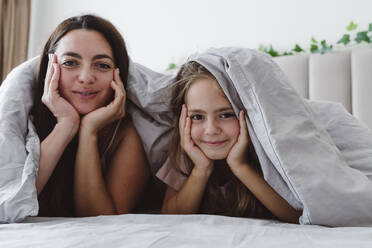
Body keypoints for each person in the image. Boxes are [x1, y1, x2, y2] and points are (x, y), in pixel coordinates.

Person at [31, 14, 149, 217]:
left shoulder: (126, 133)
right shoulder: (25, 116)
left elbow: (101, 221)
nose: (86, 77)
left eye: (102, 65)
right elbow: (13, 200)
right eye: (70, 63)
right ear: (50, 69)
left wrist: (88, 131)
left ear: (119, 74)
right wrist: (65, 125)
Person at [157, 61, 302, 223]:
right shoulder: (188, 149)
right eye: (197, 117)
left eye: (226, 114)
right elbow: (169, 218)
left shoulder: (271, 147)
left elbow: (298, 216)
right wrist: (201, 170)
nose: (211, 130)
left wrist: (240, 166)